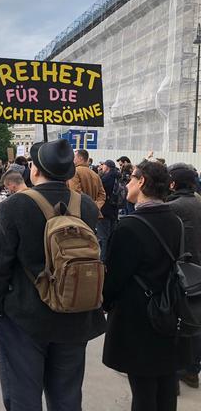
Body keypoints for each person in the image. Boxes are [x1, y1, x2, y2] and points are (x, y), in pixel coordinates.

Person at [0, 139, 106, 410]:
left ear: (35, 170)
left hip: (25, 314)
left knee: (23, 396)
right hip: (76, 313)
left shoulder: (13, 207)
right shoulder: (85, 206)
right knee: (67, 397)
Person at [103, 160, 192, 411]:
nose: (128, 183)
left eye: (132, 178)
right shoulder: (174, 219)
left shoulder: (129, 226)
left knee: (142, 392)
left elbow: (114, 280)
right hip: (170, 311)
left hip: (138, 319)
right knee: (165, 387)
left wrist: (105, 303)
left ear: (142, 182)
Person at [166, 163, 201, 390]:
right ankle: (193, 370)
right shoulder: (199, 202)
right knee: (197, 322)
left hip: (181, 271)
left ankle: (176, 372)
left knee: (179, 322)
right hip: (199, 270)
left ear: (173, 183)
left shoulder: (172, 206)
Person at [68, 149, 106, 217]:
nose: (72, 159)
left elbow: (75, 192)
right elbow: (102, 195)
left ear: (80, 158)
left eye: (74, 157)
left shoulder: (74, 172)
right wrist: (96, 206)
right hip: (93, 214)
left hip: (79, 213)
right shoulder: (95, 175)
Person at [98, 159, 121, 260]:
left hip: (104, 210)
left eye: (103, 165)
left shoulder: (105, 179)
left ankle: (102, 260)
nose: (102, 167)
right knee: (111, 236)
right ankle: (111, 258)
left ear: (107, 167)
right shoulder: (118, 177)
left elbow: (99, 193)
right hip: (114, 210)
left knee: (103, 237)